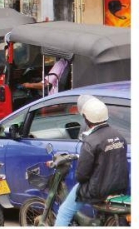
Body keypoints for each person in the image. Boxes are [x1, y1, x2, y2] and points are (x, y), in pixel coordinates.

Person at [54, 97, 129, 226]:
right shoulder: (119, 136)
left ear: (87, 119)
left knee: (64, 212)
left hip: (97, 190)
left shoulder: (90, 141)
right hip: (119, 187)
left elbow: (82, 176)